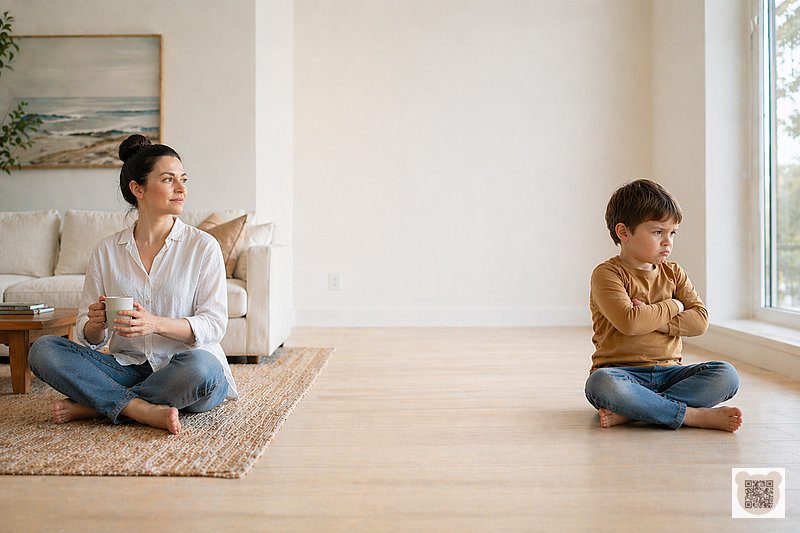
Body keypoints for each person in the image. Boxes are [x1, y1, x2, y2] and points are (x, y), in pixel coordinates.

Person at [28, 134, 237, 435]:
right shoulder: (107, 251)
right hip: (127, 367)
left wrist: (155, 324)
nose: (181, 189)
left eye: (183, 179)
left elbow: (214, 325)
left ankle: (97, 404)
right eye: (168, 180)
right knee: (44, 350)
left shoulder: (202, 247)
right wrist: (96, 325)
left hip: (184, 369)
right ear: (137, 189)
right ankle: (138, 408)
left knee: (203, 371)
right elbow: (88, 336)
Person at [584, 179, 742, 432]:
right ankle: (694, 416)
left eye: (672, 233)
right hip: (622, 375)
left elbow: (700, 321)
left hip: (671, 374)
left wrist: (650, 316)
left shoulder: (674, 273)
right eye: (658, 232)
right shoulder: (607, 274)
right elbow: (630, 322)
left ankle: (638, 411)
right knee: (601, 384)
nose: (668, 241)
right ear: (624, 232)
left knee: (726, 374)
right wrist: (675, 304)